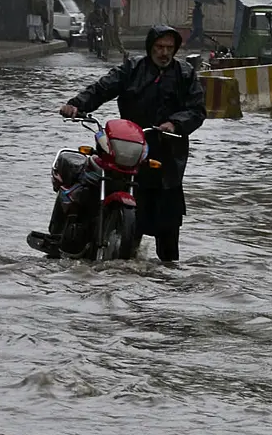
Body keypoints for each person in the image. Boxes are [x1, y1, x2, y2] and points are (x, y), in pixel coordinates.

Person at [59, 25, 206, 262]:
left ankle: (168, 278)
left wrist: (174, 124)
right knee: (103, 188)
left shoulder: (185, 74)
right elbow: (103, 88)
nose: (164, 53)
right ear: (150, 47)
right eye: (159, 47)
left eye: (169, 48)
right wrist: (77, 105)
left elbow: (197, 110)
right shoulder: (133, 68)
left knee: (168, 223)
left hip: (167, 155)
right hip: (127, 148)